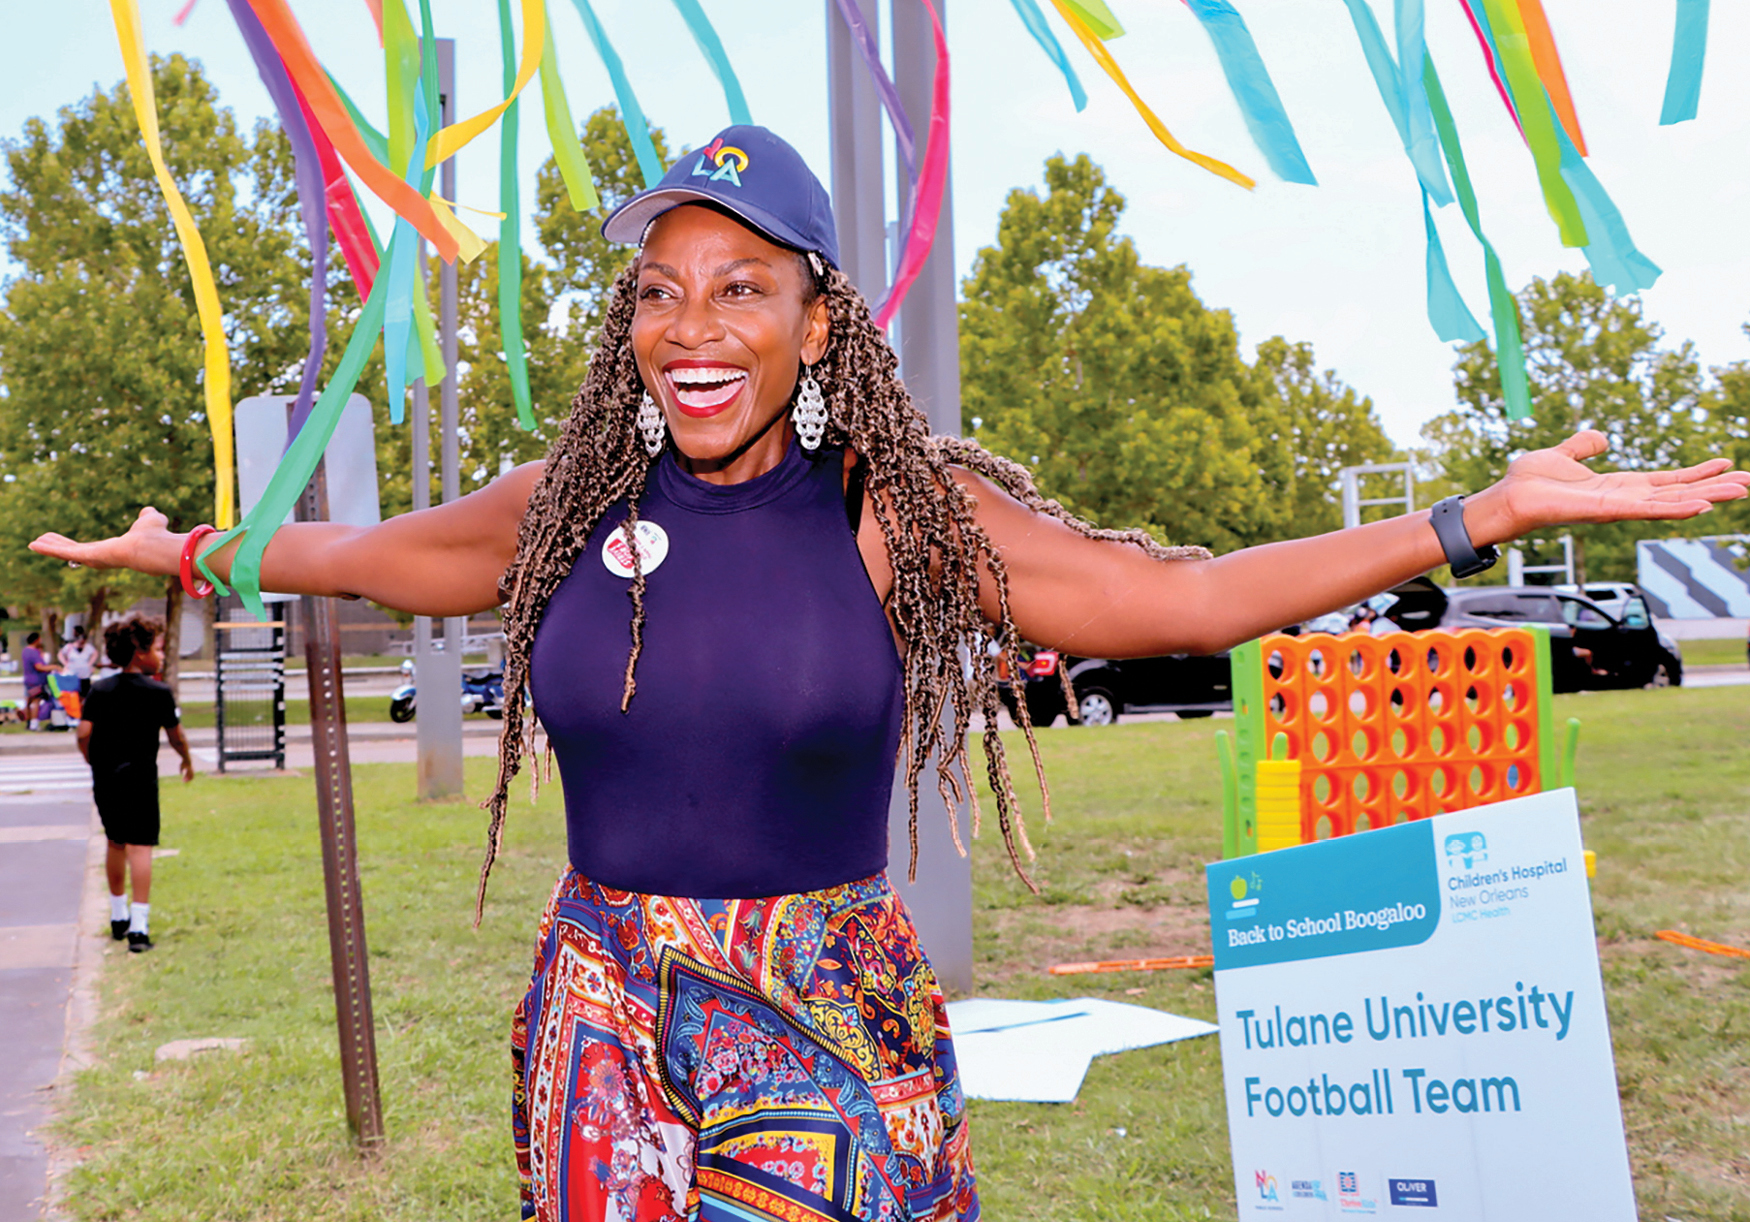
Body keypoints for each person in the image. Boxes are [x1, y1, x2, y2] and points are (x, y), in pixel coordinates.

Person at [27, 125, 1748, 1220]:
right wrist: (193, 549)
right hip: (602, 1011)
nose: (692, 328)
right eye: (658, 293)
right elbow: (357, 552)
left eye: (740, 288)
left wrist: (1473, 512)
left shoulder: (894, 518)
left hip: (822, 1012)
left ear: (817, 318)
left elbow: (1194, 597)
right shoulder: (568, 507)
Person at [76, 615, 195, 953]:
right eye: (156, 647)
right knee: (140, 846)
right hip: (141, 776)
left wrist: (91, 758)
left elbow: (84, 733)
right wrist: (185, 758)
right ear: (141, 653)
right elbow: (176, 736)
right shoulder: (158, 692)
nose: (160, 654)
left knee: (115, 841)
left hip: (107, 776)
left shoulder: (100, 690)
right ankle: (139, 928)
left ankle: (118, 915)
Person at [19, 631, 54, 728]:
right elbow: (39, 667)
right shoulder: (34, 652)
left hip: (28, 680)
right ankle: (34, 724)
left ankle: (28, 722)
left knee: (28, 701)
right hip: (36, 681)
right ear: (36, 640)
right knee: (36, 701)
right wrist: (54, 667)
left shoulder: (25, 651)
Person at [60, 624, 99, 698]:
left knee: (84, 694)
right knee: (74, 695)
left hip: (84, 675)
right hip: (73, 675)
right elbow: (60, 654)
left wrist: (90, 664)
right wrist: (65, 664)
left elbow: (95, 653)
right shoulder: (69, 647)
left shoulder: (88, 647)